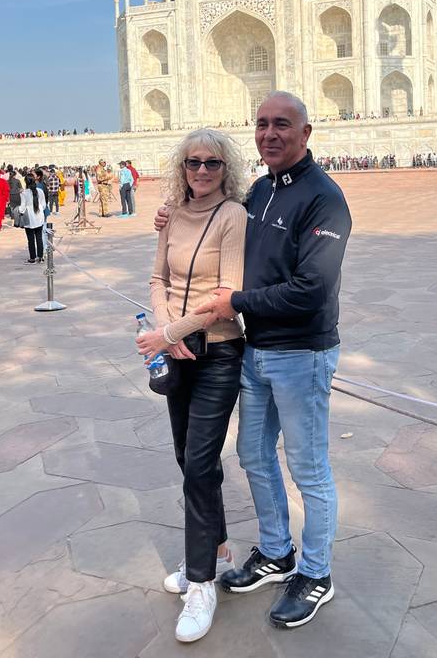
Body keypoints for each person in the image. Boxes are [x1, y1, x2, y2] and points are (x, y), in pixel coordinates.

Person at [186, 93, 352, 629]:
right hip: (258, 351)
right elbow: (218, 223)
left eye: (282, 124)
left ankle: (317, 572)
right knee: (253, 454)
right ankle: (277, 552)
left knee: (307, 466)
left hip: (302, 352)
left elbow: (310, 289)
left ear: (307, 133)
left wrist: (235, 303)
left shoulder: (324, 199)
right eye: (261, 124)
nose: (270, 133)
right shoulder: (261, 190)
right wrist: (174, 211)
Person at [137, 129, 248, 643]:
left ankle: (201, 581)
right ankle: (213, 540)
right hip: (177, 351)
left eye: (212, 163)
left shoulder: (232, 216)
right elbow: (158, 278)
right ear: (181, 166)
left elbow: (225, 296)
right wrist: (165, 334)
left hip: (218, 351)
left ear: (227, 168)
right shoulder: (170, 214)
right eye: (193, 162)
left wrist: (167, 334)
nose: (202, 171)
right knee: (187, 458)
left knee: (201, 462)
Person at [18, 176, 47, 264]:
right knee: (39, 238)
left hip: (29, 218)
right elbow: (44, 204)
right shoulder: (40, 191)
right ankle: (40, 257)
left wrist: (19, 211)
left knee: (30, 239)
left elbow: (22, 207)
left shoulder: (24, 193)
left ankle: (32, 258)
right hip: (39, 216)